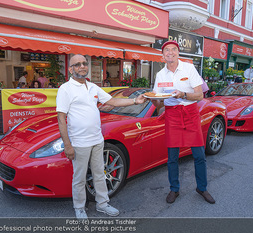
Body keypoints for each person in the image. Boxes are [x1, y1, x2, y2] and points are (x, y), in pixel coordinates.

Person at [56, 54, 146, 219]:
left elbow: (112, 102)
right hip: (79, 142)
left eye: (84, 63)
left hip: (97, 140)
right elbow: (61, 118)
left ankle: (103, 204)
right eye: (77, 64)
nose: (82, 66)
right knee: (79, 177)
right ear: (70, 69)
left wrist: (135, 102)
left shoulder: (92, 87)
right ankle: (79, 208)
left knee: (100, 173)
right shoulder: (65, 89)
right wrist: (67, 145)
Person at [152, 41, 215, 204]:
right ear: (163, 55)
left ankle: (202, 187)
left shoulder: (188, 68)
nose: (170, 52)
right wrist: (152, 99)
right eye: (167, 50)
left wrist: (183, 95)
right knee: (172, 158)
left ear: (178, 53)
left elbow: (200, 95)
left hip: (190, 114)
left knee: (199, 155)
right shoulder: (160, 75)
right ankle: (174, 189)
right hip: (172, 116)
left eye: (173, 49)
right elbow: (159, 104)